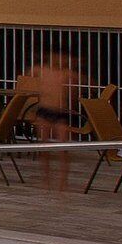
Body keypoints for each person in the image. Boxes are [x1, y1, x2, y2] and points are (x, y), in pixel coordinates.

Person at [28, 52, 76, 190]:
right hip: (45, 110)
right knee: (44, 148)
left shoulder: (66, 74)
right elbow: (27, 78)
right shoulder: (39, 70)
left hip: (60, 112)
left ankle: (63, 181)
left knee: (63, 148)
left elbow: (76, 88)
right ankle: (46, 179)